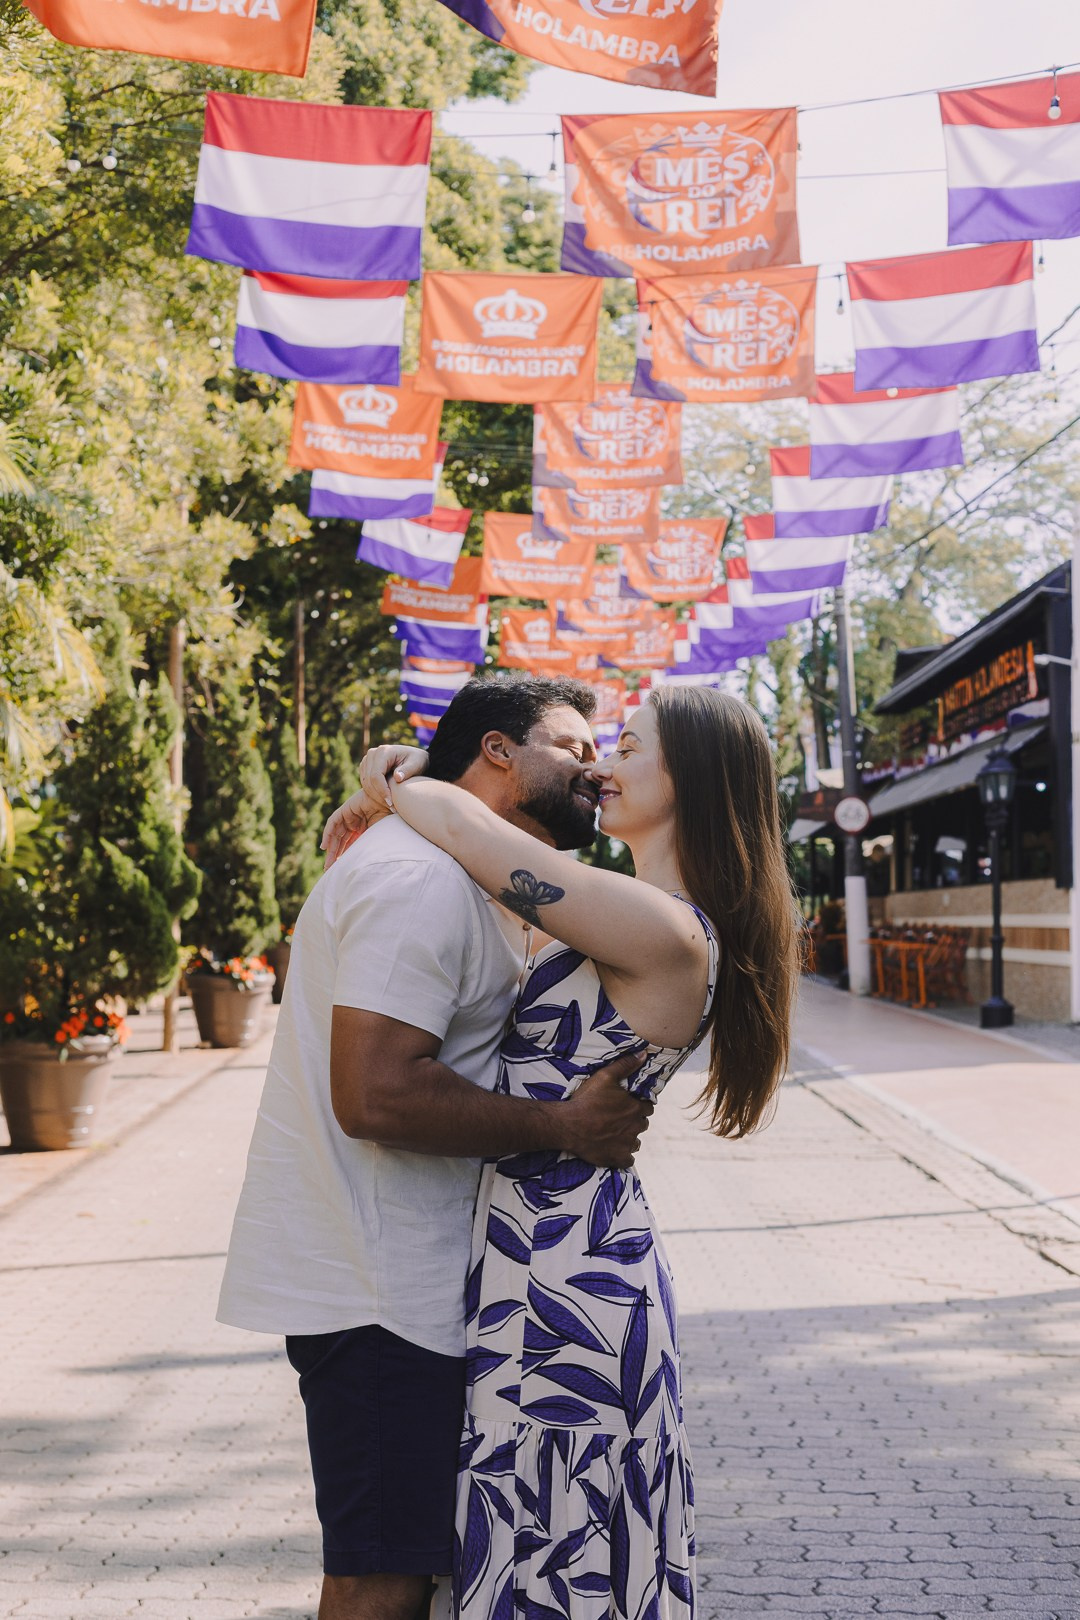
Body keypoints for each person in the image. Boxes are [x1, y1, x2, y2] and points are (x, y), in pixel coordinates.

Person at [324, 684, 801, 1620]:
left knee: (562, 1546)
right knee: (531, 1537)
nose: (601, 766)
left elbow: (472, 837)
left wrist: (399, 771)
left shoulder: (662, 926)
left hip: (570, 1274)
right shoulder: (618, 908)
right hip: (537, 1254)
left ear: (691, 779)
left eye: (626, 747)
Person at [217, 676, 653, 1620]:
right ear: (498, 751)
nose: (593, 767)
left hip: (416, 1282)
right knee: (382, 1576)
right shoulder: (414, 880)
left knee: (407, 1564)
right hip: (379, 1291)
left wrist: (397, 778)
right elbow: (376, 1091)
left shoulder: (453, 871)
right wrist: (564, 1127)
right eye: (574, 746)